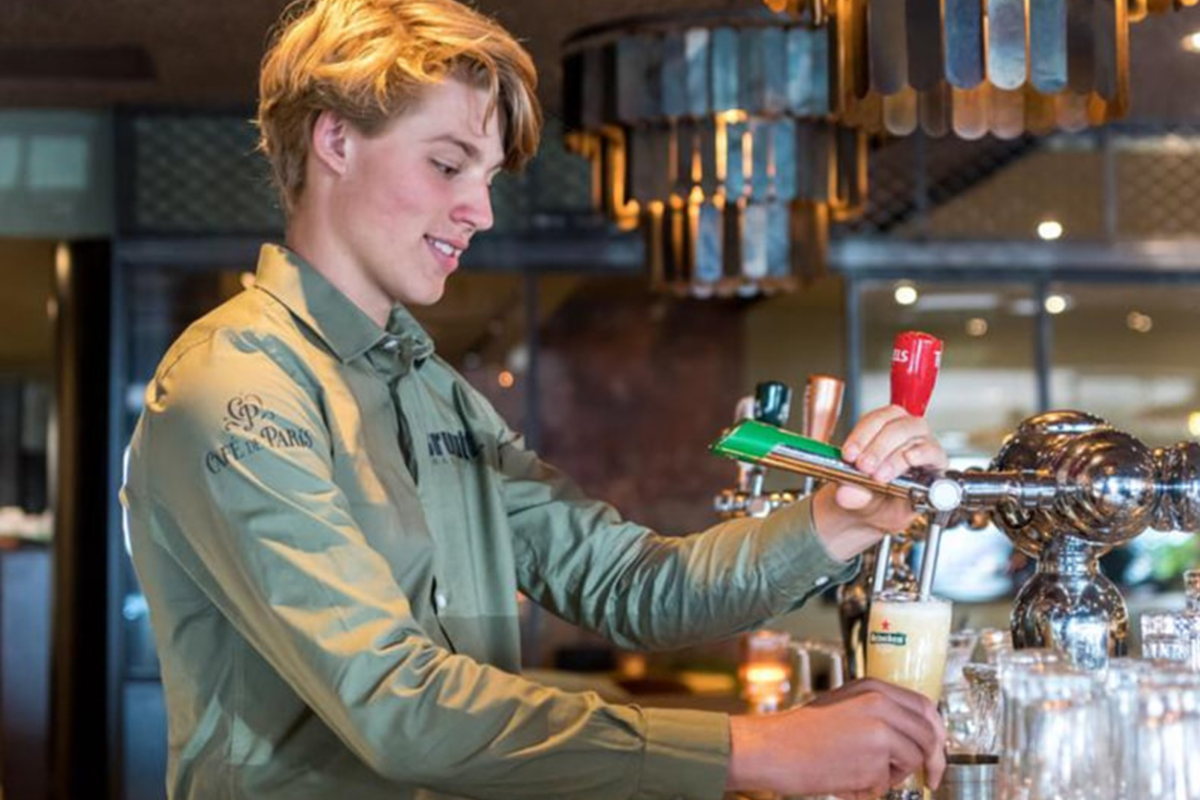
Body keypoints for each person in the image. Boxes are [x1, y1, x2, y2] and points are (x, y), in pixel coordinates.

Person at [120, 1, 949, 798]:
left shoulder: (432, 390)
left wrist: (838, 518)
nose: (479, 210)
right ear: (335, 139)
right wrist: (759, 748)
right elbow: (397, 708)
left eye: (485, 178)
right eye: (447, 164)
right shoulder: (235, 386)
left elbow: (630, 584)